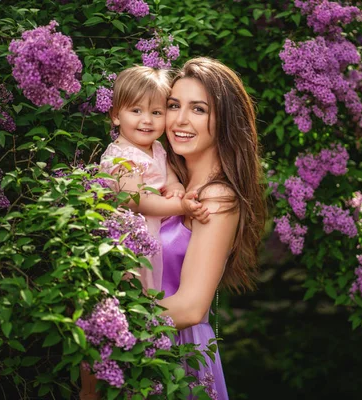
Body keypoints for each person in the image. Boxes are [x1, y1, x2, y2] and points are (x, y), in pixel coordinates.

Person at [157, 56, 266, 399]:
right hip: (150, 343)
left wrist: (108, 321)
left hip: (179, 354)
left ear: (225, 122)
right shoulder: (170, 182)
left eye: (199, 109)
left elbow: (191, 307)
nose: (180, 119)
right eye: (173, 105)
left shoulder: (217, 197)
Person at [99, 66, 209, 292]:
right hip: (135, 234)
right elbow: (136, 200)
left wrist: (175, 186)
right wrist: (181, 205)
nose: (147, 120)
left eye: (156, 113)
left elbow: (168, 174)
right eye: (136, 111)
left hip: (157, 228)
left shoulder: (156, 148)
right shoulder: (122, 158)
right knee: (142, 283)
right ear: (116, 116)